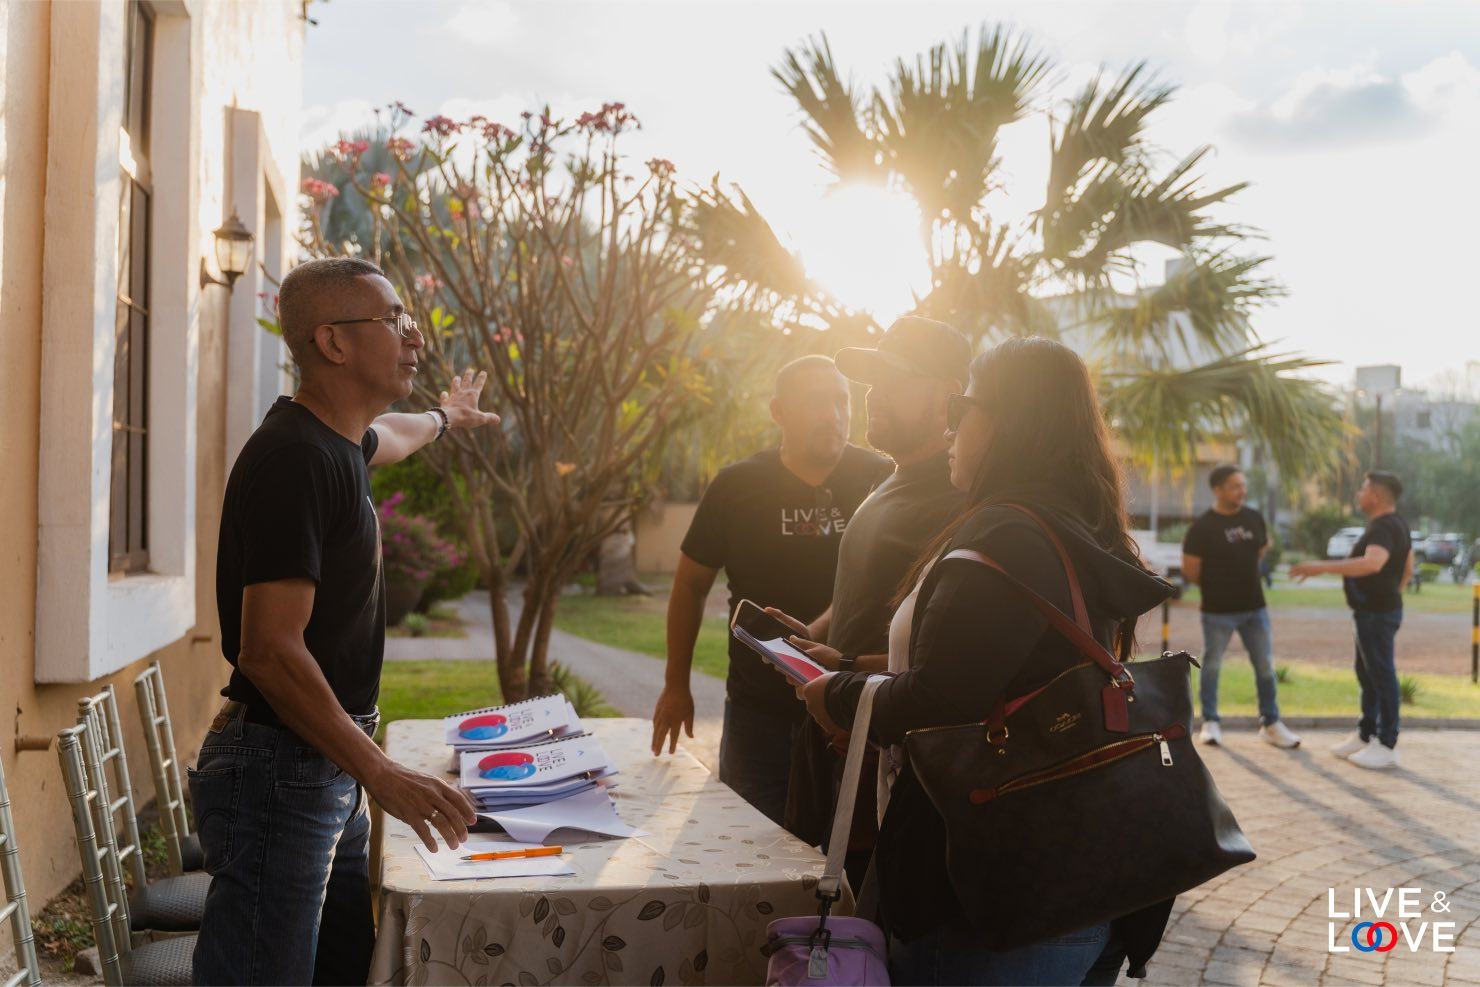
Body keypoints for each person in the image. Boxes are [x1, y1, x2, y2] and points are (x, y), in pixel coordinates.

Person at [797, 337, 1174, 985]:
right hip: (1088, 876)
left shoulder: (1008, 532)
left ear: (1005, 423)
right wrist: (856, 671)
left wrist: (835, 695)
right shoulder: (1070, 523)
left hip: (994, 893)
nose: (950, 427)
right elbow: (1000, 676)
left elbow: (944, 699)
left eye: (962, 408)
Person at [193, 257, 501, 985]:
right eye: (393, 320)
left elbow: (392, 434)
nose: (414, 335)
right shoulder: (295, 459)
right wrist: (381, 771)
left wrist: (446, 418)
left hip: (321, 762)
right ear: (333, 342)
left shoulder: (338, 442)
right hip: (283, 772)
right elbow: (269, 650)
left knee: (340, 970)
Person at [648, 355, 890, 826]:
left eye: (841, 401)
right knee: (748, 847)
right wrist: (676, 685)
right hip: (758, 715)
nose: (833, 415)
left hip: (850, 708)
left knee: (847, 858)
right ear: (778, 411)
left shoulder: (880, 478)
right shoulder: (737, 486)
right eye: (816, 402)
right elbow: (690, 586)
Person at [765, 317, 969, 862]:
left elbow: (948, 661)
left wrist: (854, 680)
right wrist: (815, 636)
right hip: (837, 740)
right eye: (873, 380)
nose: (875, 394)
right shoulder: (891, 479)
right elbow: (866, 590)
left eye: (895, 380)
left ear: (949, 395)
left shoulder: (956, 501)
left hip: (887, 767)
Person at [1290, 471, 1413, 770]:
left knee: (1381, 675)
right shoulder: (1396, 524)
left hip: (1376, 614)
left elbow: (1373, 563)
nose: (1358, 494)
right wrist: (1391, 597)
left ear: (1376, 496)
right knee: (1367, 674)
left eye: (1363, 489)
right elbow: (1408, 567)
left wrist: (1320, 568)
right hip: (1374, 611)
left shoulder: (1384, 526)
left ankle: (1386, 744)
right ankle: (1366, 734)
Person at [1181, 464, 1301, 749]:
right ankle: (1210, 722)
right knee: (1212, 665)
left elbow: (1261, 550)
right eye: (1235, 486)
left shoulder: (1253, 518)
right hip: (1217, 611)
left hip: (1254, 609)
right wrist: (1218, 586)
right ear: (1217, 490)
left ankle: (1270, 723)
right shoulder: (1202, 527)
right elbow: (1190, 570)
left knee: (1264, 666)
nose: (1242, 491)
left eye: (1243, 485)